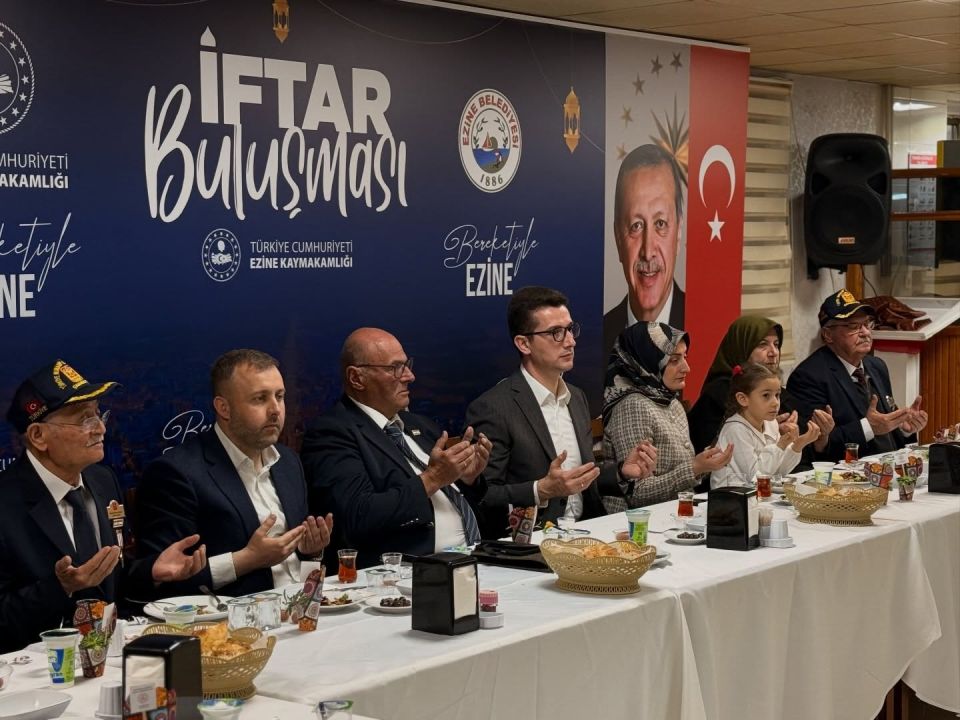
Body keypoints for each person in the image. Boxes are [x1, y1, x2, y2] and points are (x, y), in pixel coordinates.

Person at [0, 360, 206, 653]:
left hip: (110, 657)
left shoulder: (102, 480)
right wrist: (61, 587)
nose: (100, 428)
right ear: (38, 436)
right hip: (39, 667)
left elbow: (110, 584)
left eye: (98, 414)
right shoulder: (7, 502)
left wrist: (152, 571)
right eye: (84, 419)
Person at [136, 349, 332, 598]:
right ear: (224, 408)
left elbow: (298, 564)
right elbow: (165, 580)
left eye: (280, 396)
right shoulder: (177, 473)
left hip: (305, 604)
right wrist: (247, 559)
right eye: (260, 399)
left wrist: (311, 551)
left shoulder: (288, 462)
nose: (275, 410)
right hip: (235, 616)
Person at [465, 286, 657, 538]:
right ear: (524, 344)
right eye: (556, 333)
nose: (570, 341)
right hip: (533, 541)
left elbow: (580, 481)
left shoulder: (576, 398)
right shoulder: (495, 407)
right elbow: (482, 496)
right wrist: (541, 490)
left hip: (588, 533)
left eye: (569, 329)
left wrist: (621, 472)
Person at [300, 328, 491, 568]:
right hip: (411, 571)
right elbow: (356, 516)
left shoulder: (420, 425)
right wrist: (433, 478)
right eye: (395, 368)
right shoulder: (332, 433)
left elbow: (463, 502)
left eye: (407, 365)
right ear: (357, 378)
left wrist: (466, 479)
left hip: (475, 557)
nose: (410, 376)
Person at [603, 322, 733, 508]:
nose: (686, 368)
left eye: (685, 357)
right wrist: (695, 467)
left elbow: (681, 475)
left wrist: (705, 465)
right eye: (674, 360)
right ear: (647, 360)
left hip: (676, 511)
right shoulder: (633, 406)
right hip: (638, 520)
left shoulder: (671, 402)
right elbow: (638, 493)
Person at [788, 289, 928, 461]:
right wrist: (868, 428)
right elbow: (816, 444)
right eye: (853, 327)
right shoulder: (808, 377)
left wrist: (903, 428)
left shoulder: (876, 366)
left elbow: (886, 427)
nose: (865, 333)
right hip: (847, 472)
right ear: (828, 335)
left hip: (889, 466)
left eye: (867, 324)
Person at [687, 316, 834, 455]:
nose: (773, 353)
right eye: (762, 344)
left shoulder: (782, 395)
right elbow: (713, 456)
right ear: (741, 347)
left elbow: (807, 455)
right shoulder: (719, 395)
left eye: (776, 344)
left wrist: (820, 438)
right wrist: (769, 436)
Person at [603, 144, 686, 358]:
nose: (648, 252)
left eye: (660, 224)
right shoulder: (596, 340)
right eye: (636, 226)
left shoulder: (708, 327)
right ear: (617, 238)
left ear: (678, 232)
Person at [711, 363, 820, 488]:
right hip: (730, 497)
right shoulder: (735, 429)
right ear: (742, 399)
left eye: (777, 395)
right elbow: (754, 477)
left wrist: (798, 445)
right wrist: (780, 446)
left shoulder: (771, 423)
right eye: (766, 395)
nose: (775, 403)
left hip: (760, 493)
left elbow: (779, 472)